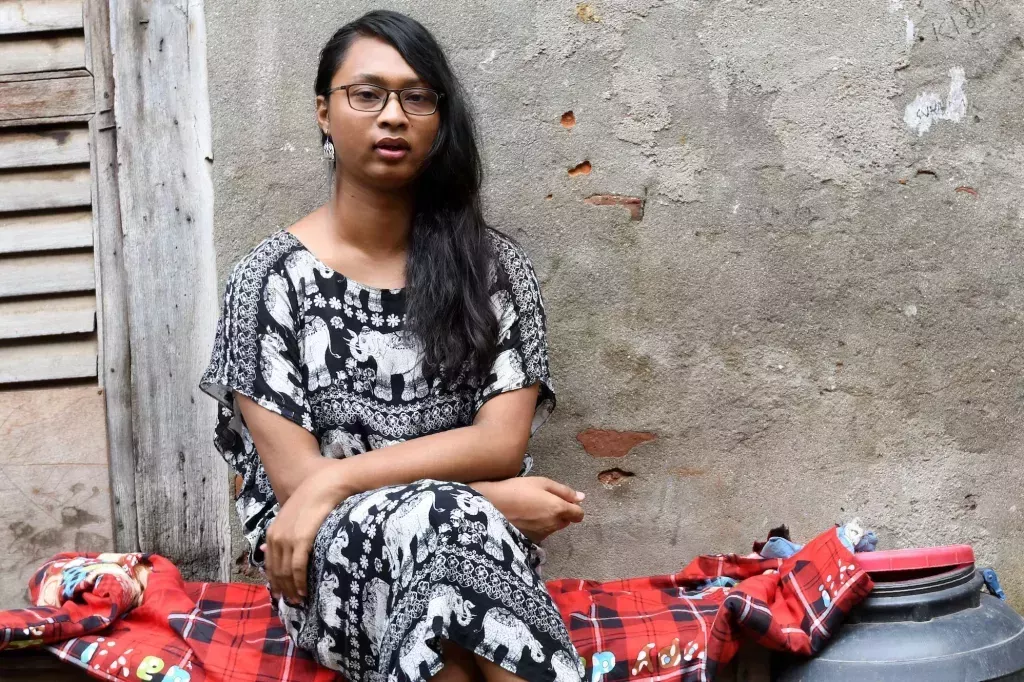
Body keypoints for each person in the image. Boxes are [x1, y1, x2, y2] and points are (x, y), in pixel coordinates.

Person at [200, 10, 586, 682]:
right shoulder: (266, 282)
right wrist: (491, 500)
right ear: (324, 112)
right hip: (327, 558)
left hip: (471, 547)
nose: (393, 116)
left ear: (438, 120)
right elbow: (297, 485)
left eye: (416, 97)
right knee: (447, 536)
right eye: (367, 94)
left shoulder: (491, 269)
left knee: (450, 571)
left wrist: (348, 479)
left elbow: (498, 444)